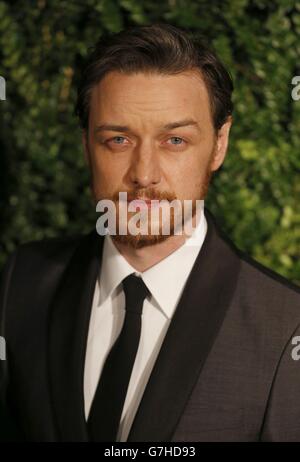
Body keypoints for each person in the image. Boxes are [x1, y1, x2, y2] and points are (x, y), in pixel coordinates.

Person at [1, 23, 300, 443]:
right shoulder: (22, 281)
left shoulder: (286, 327)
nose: (144, 175)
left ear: (219, 144)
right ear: (87, 144)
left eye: (174, 140)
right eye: (118, 139)